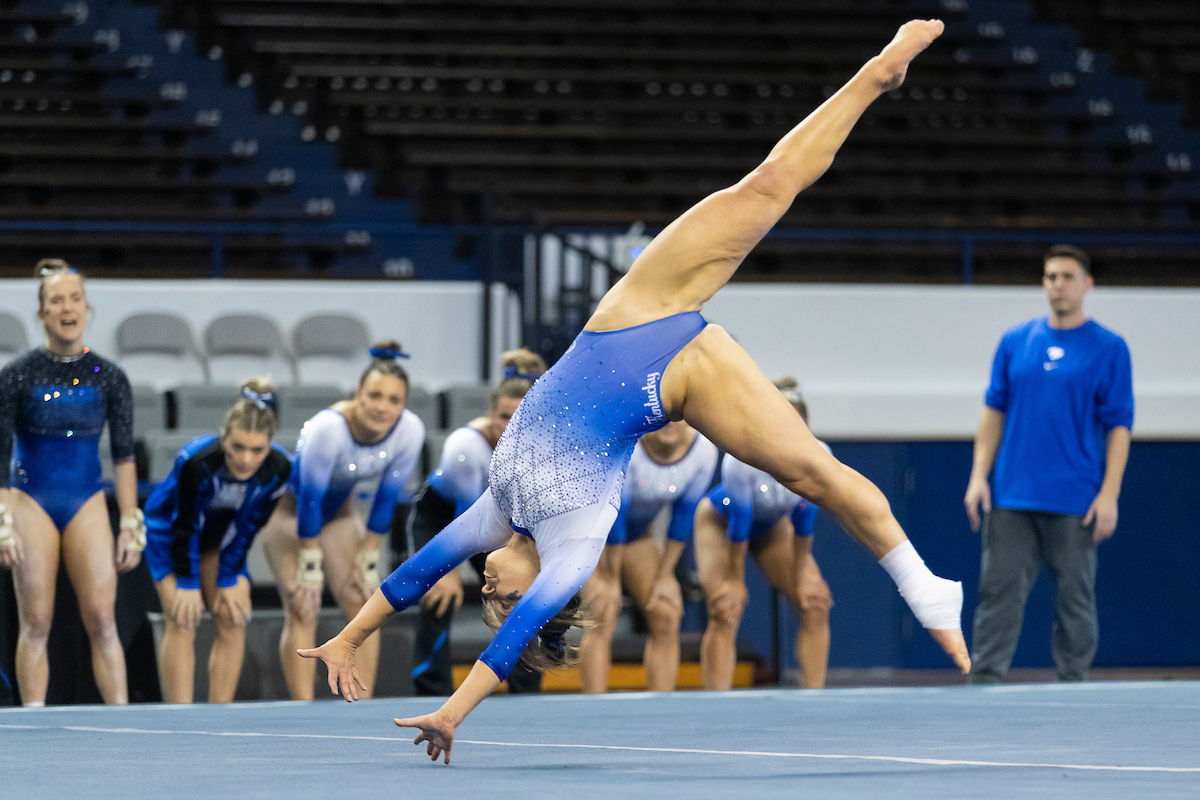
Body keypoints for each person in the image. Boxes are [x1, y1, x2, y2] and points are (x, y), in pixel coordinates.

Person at [303, 20, 969, 765]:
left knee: (766, 185)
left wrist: (348, 635)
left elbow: (416, 569)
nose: (487, 584)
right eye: (499, 599)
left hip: (626, 314)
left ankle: (878, 71)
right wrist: (455, 711)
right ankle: (923, 584)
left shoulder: (499, 514)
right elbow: (519, 634)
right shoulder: (572, 546)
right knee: (810, 472)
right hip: (678, 377)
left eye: (486, 596)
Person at [964, 245, 1133, 684]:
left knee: (1075, 599)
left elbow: (1119, 425)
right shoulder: (1015, 341)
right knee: (997, 593)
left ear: (1087, 284)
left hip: (1076, 498)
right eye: (1051, 277)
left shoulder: (1109, 348)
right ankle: (984, 681)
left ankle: (1074, 681)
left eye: (1067, 276)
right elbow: (993, 411)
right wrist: (978, 476)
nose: (1058, 284)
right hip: (1013, 496)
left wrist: (1109, 494)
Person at [0, 259, 144, 706]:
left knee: (103, 619)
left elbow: (123, 457)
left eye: (75, 298)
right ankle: (32, 716)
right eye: (56, 300)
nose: (67, 307)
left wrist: (130, 524)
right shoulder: (16, 376)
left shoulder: (111, 378)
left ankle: (124, 720)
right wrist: (3, 522)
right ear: (42, 314)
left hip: (86, 499)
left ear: (88, 308)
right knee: (36, 622)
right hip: (31, 498)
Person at [260, 341, 424, 700]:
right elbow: (311, 499)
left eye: (393, 400)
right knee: (304, 604)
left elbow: (386, 497)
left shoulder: (410, 431)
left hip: (339, 517)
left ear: (404, 404)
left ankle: (359, 702)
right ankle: (302, 705)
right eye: (375, 395)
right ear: (358, 394)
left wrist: (369, 557)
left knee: (365, 602)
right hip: (291, 517)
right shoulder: (327, 428)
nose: (382, 407)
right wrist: (309, 561)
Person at [143, 379, 292, 703]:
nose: (246, 460)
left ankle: (218, 714)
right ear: (223, 437)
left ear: (270, 445)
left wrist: (228, 575)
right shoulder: (196, 461)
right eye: (237, 447)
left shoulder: (280, 469)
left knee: (232, 617)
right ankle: (179, 718)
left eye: (257, 450)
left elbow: (250, 527)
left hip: (221, 540)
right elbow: (184, 525)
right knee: (183, 617)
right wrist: (186, 582)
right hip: (169, 534)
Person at [408, 349, 546, 696]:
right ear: (490, 414)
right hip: (444, 519)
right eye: (503, 417)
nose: (511, 427)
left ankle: (525, 692)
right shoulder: (466, 446)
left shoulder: (546, 449)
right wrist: (448, 574)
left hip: (503, 524)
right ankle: (431, 690)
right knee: (439, 595)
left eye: (521, 417)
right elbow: (467, 526)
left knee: (523, 593)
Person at [694, 379, 833, 690]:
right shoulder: (740, 458)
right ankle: (716, 701)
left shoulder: (819, 456)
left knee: (814, 602)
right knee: (725, 607)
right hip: (720, 523)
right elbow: (739, 524)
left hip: (772, 527)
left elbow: (805, 519)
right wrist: (734, 581)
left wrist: (802, 576)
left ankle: (815, 696)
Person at [578, 420, 718, 693]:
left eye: (678, 414)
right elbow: (616, 514)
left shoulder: (704, 450)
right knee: (603, 608)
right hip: (589, 537)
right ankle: (592, 707)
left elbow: (683, 515)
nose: (670, 423)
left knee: (666, 611)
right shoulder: (627, 442)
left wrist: (666, 576)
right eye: (663, 415)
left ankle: (661, 708)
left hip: (637, 537)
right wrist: (611, 578)